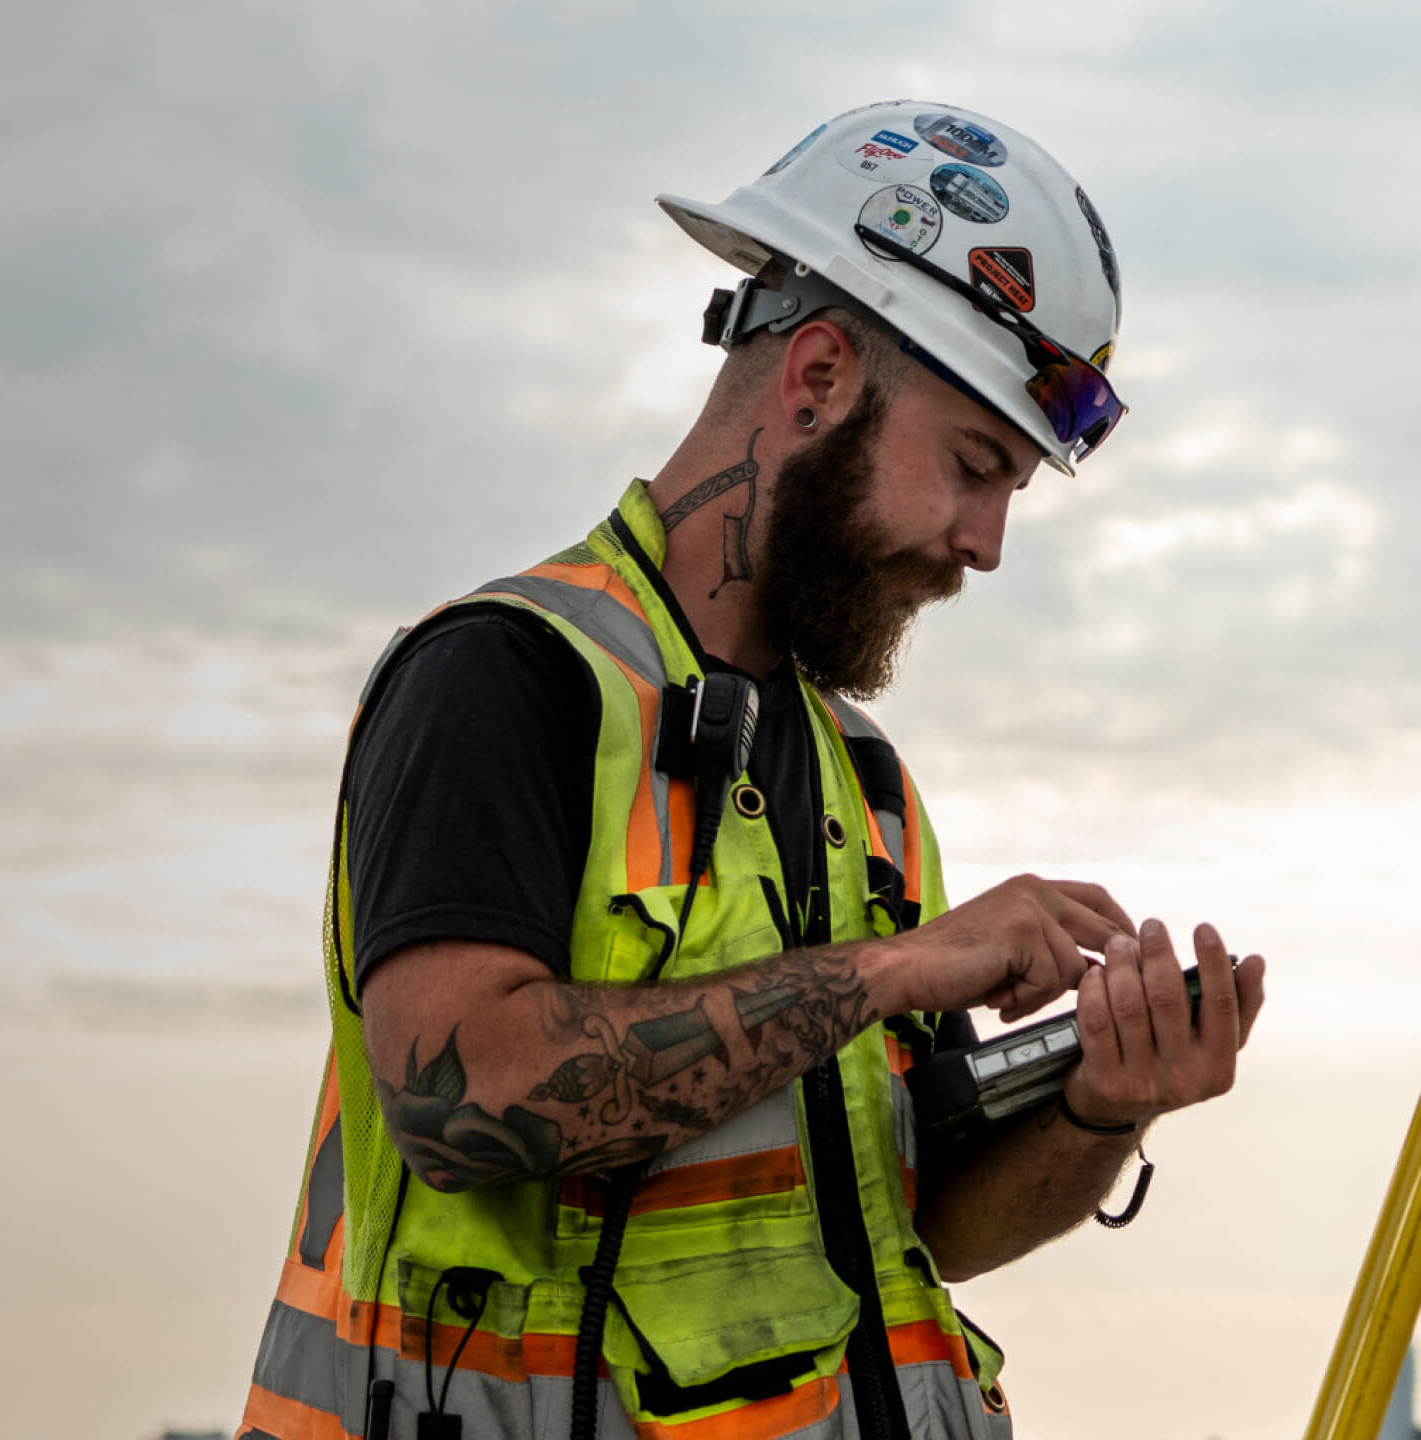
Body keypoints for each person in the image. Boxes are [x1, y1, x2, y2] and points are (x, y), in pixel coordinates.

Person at [240, 101, 1271, 1440]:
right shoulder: (504, 679)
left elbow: (922, 1231)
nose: (988, 542)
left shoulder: (866, 784)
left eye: (1012, 487)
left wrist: (1099, 1105)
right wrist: (896, 971)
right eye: (974, 467)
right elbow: (461, 1102)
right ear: (820, 377)